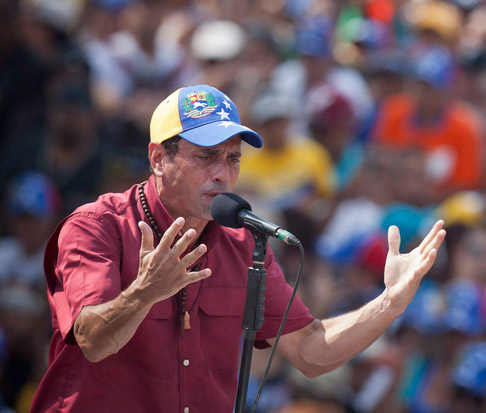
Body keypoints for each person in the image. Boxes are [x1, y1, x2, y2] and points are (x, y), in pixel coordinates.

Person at [30, 84, 445, 413]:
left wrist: (390, 301)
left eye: (232, 159)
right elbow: (92, 340)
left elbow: (311, 350)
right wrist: (146, 291)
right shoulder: (96, 227)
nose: (222, 174)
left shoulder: (244, 244)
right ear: (158, 158)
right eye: (206, 157)